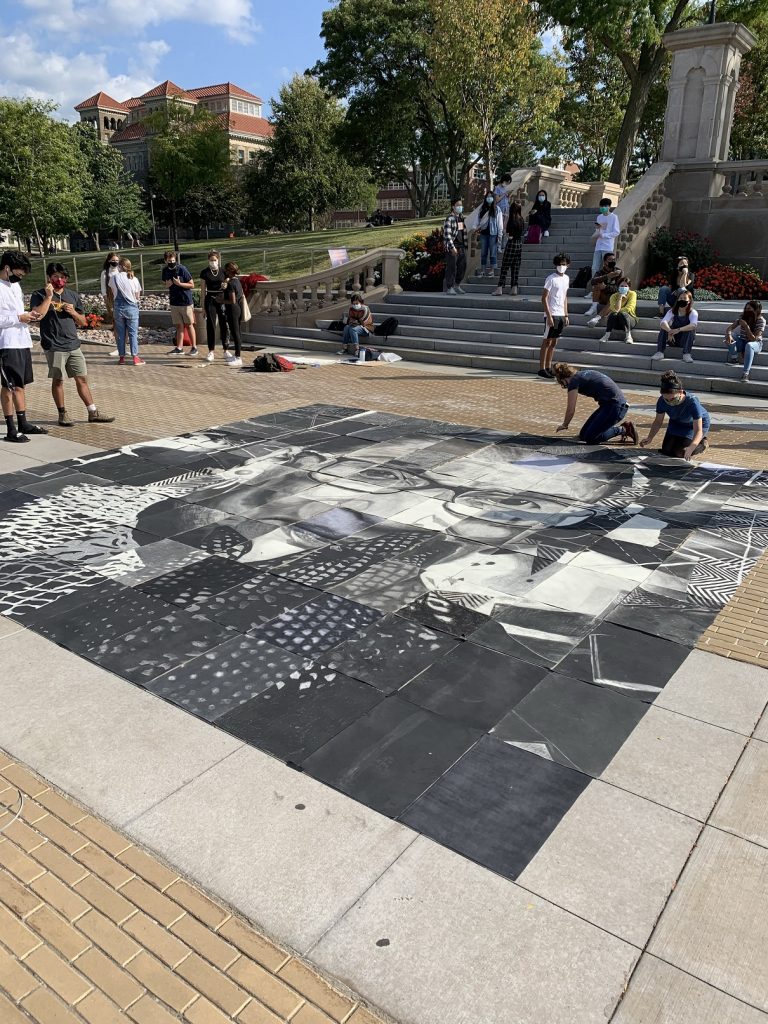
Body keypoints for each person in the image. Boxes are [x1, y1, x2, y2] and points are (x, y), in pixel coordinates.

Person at [29, 263, 115, 427]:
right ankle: (62, 413)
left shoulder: (72, 295)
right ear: (49, 278)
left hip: (73, 344)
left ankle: (93, 411)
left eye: (62, 277)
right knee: (58, 380)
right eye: (55, 277)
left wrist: (73, 312)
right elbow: (37, 316)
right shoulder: (39, 294)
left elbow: (84, 322)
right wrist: (48, 297)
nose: (59, 280)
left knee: (82, 379)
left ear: (66, 279)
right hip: (54, 344)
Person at [0, 251, 46, 443]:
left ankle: (23, 422)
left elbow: (18, 312)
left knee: (20, 384)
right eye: (19, 273)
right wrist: (19, 318)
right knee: (8, 386)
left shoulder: (15, 287)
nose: (20, 277)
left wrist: (28, 316)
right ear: (7, 268)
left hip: (21, 340)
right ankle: (11, 428)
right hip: (6, 343)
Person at [554, 362, 638, 445]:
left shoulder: (573, 381)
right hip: (611, 404)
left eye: (563, 383)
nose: (566, 386)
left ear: (564, 379)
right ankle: (613, 429)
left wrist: (565, 424)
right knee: (583, 435)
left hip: (615, 407)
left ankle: (624, 429)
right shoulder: (581, 375)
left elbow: (570, 410)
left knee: (590, 438)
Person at [640, 370, 710, 460]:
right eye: (666, 399)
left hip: (694, 425)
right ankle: (684, 441)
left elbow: (698, 429)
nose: (669, 402)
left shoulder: (692, 401)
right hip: (677, 421)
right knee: (667, 450)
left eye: (672, 399)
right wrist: (650, 437)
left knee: (681, 452)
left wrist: (692, 447)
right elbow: (658, 421)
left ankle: (702, 444)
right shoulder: (661, 401)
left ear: (680, 392)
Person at [539, 254, 570, 379]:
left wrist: (566, 314)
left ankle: (549, 366)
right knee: (547, 341)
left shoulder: (566, 278)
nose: (561, 267)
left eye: (563, 264)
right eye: (559, 264)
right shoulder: (551, 279)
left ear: (568, 265)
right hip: (552, 314)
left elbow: (564, 297)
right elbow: (544, 298)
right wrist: (549, 315)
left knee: (554, 342)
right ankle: (542, 368)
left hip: (561, 314)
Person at [162, 250, 198, 356]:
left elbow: (192, 285)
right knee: (179, 325)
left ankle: (194, 347)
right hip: (174, 301)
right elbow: (165, 283)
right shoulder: (165, 270)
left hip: (185, 301)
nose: (171, 262)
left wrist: (180, 284)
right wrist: (167, 285)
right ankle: (179, 347)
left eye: (173, 260)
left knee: (189, 324)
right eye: (169, 261)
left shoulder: (182, 269)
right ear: (165, 261)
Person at [110, 257, 144, 365]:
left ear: (119, 266)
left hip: (118, 308)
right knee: (133, 334)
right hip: (131, 308)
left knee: (120, 334)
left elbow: (112, 292)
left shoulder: (113, 278)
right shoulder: (134, 279)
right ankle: (135, 357)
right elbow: (137, 296)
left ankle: (121, 358)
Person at [200, 250, 229, 361]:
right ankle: (211, 350)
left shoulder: (223, 271)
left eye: (215, 260)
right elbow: (203, 290)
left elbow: (228, 279)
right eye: (211, 260)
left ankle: (226, 349)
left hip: (221, 299)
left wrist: (226, 283)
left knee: (223, 323)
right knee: (211, 325)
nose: (213, 262)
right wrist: (203, 307)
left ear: (218, 260)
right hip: (210, 298)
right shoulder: (205, 272)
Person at [725, 300, 765, 382]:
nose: (747, 310)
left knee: (749, 345)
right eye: (746, 308)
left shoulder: (761, 321)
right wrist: (728, 334)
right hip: (742, 341)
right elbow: (729, 329)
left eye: (749, 309)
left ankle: (746, 373)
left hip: (756, 344)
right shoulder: (742, 317)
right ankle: (734, 358)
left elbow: (754, 339)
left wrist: (746, 326)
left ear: (756, 310)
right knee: (731, 335)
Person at [653, 290, 697, 363]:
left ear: (689, 301)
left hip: (684, 340)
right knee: (664, 328)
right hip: (672, 339)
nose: (682, 300)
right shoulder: (672, 311)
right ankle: (660, 352)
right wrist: (669, 331)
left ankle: (686, 354)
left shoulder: (693, 312)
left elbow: (693, 325)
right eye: (680, 298)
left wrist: (678, 330)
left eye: (684, 298)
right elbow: (663, 322)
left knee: (690, 329)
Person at [493, 201, 525, 296]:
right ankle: (514, 288)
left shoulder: (512, 219)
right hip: (519, 243)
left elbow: (506, 232)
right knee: (515, 267)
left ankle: (499, 288)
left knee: (505, 266)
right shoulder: (521, 219)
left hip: (511, 243)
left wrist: (506, 219)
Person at [599, 278, 638, 345]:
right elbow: (614, 309)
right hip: (616, 323)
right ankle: (606, 335)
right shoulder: (614, 296)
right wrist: (620, 297)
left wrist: (619, 312)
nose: (623, 288)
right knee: (613, 314)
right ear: (618, 287)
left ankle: (628, 336)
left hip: (629, 320)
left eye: (626, 286)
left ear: (629, 287)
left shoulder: (632, 294)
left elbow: (629, 308)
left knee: (623, 314)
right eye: (622, 286)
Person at [585, 252, 623, 320]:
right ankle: (593, 308)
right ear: (605, 262)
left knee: (614, 297)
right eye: (610, 260)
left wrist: (606, 287)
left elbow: (619, 289)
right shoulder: (600, 272)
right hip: (602, 296)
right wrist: (607, 276)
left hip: (612, 296)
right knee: (597, 285)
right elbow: (592, 282)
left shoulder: (618, 272)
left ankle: (598, 317)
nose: (612, 261)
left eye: (614, 260)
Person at [590, 197, 620, 278]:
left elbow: (616, 232)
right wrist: (596, 234)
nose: (603, 208)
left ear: (609, 207)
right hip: (598, 245)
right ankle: (594, 284)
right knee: (594, 267)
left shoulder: (614, 217)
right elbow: (598, 229)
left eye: (605, 206)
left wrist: (604, 235)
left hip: (607, 246)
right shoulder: (599, 217)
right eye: (602, 206)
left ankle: (606, 284)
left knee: (607, 266)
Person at [442, 199, 467, 296]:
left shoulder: (461, 218)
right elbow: (447, 234)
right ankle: (450, 287)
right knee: (451, 267)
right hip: (453, 247)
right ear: (453, 207)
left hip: (461, 246)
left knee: (462, 267)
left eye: (461, 205)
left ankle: (457, 285)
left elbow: (462, 232)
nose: (460, 207)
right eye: (458, 205)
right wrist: (452, 247)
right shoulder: (450, 218)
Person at [476, 191, 504, 278]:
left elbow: (500, 223)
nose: (489, 198)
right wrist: (476, 228)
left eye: (491, 197)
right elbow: (477, 221)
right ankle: (483, 270)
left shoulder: (497, 209)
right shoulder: (482, 209)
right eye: (487, 197)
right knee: (483, 253)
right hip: (484, 234)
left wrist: (500, 234)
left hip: (493, 234)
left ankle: (492, 270)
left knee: (493, 253)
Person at [223, 261, 244, 367]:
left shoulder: (231, 283)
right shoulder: (237, 281)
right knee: (237, 332)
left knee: (235, 333)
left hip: (233, 309)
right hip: (238, 309)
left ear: (228, 271)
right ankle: (236, 355)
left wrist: (221, 300)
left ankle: (238, 356)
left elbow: (232, 300)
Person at [340, 293, 374, 358]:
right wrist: (352, 321)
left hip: (366, 328)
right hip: (355, 326)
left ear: (361, 302)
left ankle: (357, 349)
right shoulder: (351, 309)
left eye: (357, 303)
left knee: (352, 329)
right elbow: (350, 319)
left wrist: (355, 321)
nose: (355, 305)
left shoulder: (365, 309)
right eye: (354, 303)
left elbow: (363, 322)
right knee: (347, 327)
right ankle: (345, 348)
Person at [100, 253, 120, 331]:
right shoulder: (105, 273)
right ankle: (114, 326)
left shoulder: (120, 271)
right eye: (113, 260)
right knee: (112, 311)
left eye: (117, 260)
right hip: (110, 295)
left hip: (119, 294)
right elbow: (103, 287)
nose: (115, 262)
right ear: (109, 261)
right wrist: (105, 298)